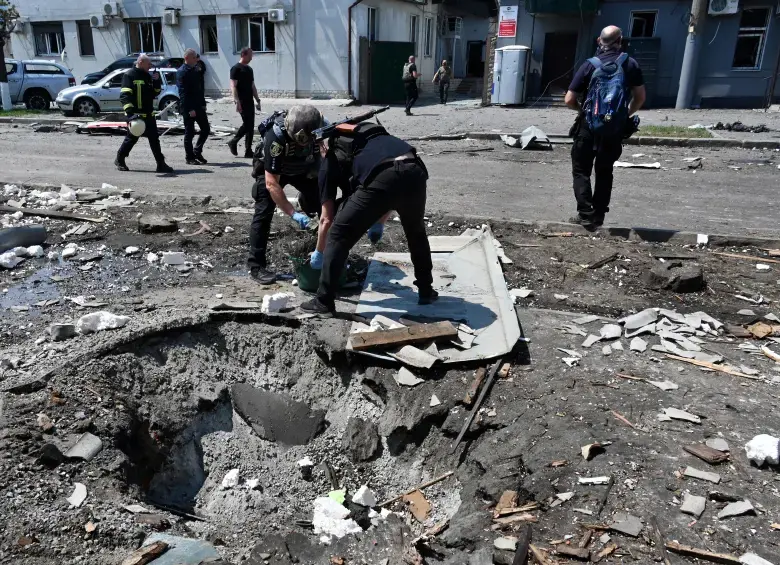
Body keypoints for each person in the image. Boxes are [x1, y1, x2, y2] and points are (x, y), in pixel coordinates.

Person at [300, 122, 436, 315]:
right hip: (415, 170)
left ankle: (323, 301)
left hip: (383, 177)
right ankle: (426, 291)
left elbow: (327, 219)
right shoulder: (373, 140)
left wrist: (320, 252)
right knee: (416, 233)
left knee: (339, 234)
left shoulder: (330, 158)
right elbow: (390, 190)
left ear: (323, 145)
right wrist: (378, 222)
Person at [565, 25, 645, 230]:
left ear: (599, 41)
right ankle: (599, 215)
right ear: (620, 41)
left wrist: (583, 111)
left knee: (581, 170)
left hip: (588, 126)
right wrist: (623, 115)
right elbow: (640, 97)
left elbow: (569, 99)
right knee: (604, 170)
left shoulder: (590, 65)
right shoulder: (630, 64)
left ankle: (585, 216)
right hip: (613, 128)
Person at [248, 105, 324, 284]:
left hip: (304, 170)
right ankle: (256, 266)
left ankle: (325, 252)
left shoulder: (321, 127)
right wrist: (293, 213)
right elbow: (271, 183)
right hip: (274, 171)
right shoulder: (275, 136)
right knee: (263, 212)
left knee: (322, 205)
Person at [115, 54, 174, 173]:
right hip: (136, 116)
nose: (150, 66)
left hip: (149, 115)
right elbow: (125, 96)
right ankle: (120, 159)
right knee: (131, 139)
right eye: (149, 64)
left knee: (154, 140)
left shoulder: (147, 76)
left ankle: (161, 164)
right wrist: (130, 115)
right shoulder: (129, 75)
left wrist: (157, 81)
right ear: (141, 62)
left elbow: (154, 93)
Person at [177, 48, 210, 165]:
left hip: (199, 106)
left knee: (206, 129)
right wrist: (190, 109)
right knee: (189, 132)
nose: (197, 59)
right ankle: (189, 157)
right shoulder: (182, 72)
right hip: (188, 107)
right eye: (194, 57)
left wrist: (203, 104)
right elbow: (183, 93)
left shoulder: (196, 70)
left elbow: (200, 89)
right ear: (187, 58)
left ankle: (197, 151)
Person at [228, 47, 262, 158]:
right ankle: (233, 141)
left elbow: (252, 86)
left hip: (249, 100)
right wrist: (236, 101)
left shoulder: (249, 69)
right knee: (247, 124)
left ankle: (248, 150)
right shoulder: (235, 69)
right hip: (241, 100)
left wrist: (257, 100)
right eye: (250, 55)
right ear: (243, 54)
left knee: (250, 125)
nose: (252, 57)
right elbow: (233, 86)